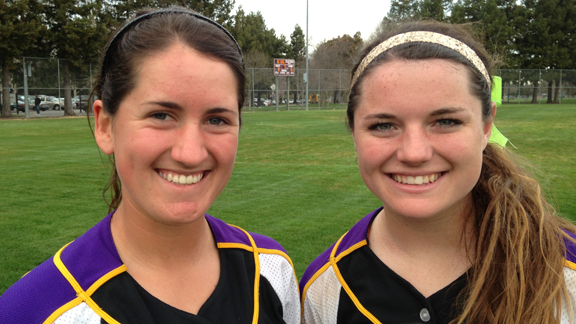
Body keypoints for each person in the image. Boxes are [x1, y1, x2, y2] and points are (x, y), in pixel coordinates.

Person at [0, 8, 300, 324]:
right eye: (161, 115)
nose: (190, 153)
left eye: (216, 120)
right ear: (104, 125)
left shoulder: (271, 272)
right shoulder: (33, 310)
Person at [299, 21, 576, 324]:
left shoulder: (563, 270)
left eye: (446, 121)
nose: (414, 153)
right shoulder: (323, 288)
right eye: (383, 125)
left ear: (486, 126)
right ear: (353, 133)